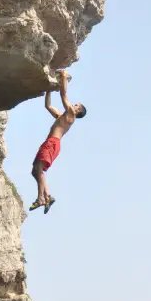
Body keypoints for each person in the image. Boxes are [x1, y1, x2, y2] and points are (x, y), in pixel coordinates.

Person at [29, 70, 87, 214]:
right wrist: (49, 90)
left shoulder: (71, 116)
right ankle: (47, 196)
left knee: (38, 169)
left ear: (78, 111)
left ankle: (41, 198)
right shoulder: (62, 116)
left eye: (76, 105)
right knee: (34, 171)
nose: (74, 105)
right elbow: (48, 106)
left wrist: (63, 78)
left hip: (53, 143)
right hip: (51, 143)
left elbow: (63, 95)